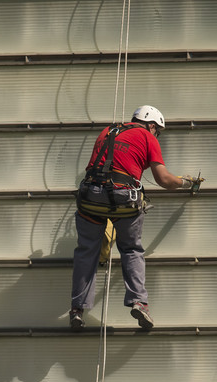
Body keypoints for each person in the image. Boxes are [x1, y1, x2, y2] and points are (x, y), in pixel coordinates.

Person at [70, 105, 202, 330]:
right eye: (157, 131)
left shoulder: (107, 132)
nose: (156, 135)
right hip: (123, 199)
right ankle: (139, 303)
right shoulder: (147, 137)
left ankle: (77, 309)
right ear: (151, 124)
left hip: (90, 197)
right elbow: (164, 180)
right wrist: (187, 182)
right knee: (131, 249)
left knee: (86, 251)